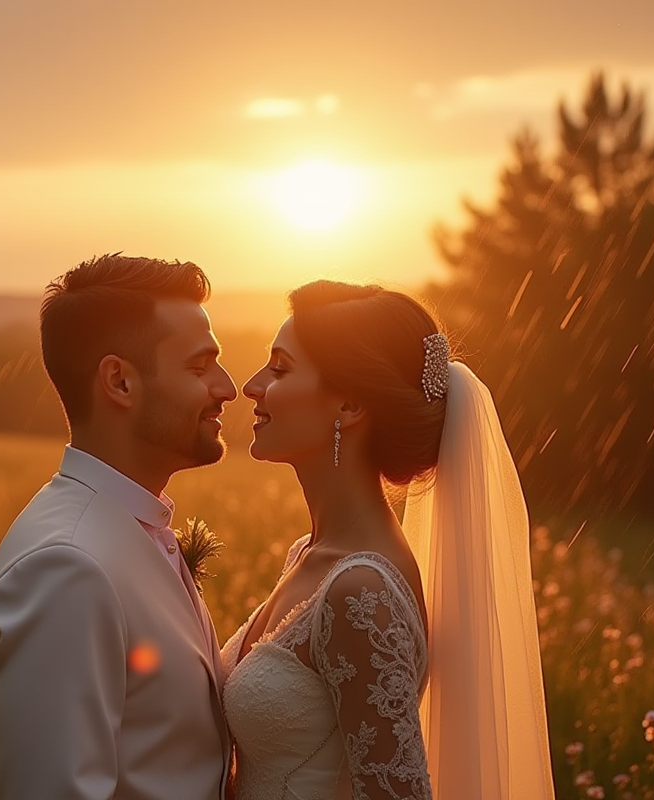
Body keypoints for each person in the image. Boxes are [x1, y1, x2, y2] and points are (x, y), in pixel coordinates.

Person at [222, 281, 555, 800]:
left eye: (280, 369)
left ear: (350, 404)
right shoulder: (307, 555)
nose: (251, 385)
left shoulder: (361, 591)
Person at [0, 254, 237, 800]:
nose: (227, 387)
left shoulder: (131, 528)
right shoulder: (65, 568)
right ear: (119, 381)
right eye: (199, 366)